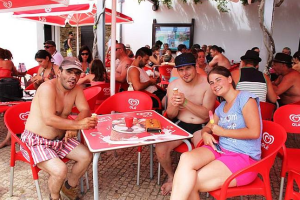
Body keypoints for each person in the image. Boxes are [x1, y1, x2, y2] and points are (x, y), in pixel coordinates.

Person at [171, 66, 262, 200]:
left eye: (218, 80)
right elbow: (208, 127)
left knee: (189, 182)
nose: (215, 85)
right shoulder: (221, 107)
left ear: (230, 79)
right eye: (212, 83)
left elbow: (254, 132)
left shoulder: (245, 98)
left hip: (244, 157)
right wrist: (205, 134)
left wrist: (223, 131)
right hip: (221, 149)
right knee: (186, 158)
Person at [20, 57, 97, 200]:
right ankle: (55, 197)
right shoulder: (47, 88)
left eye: (77, 73)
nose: (73, 76)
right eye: (69, 72)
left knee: (86, 156)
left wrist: (74, 127)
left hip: (61, 139)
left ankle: (69, 188)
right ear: (59, 72)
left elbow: (85, 109)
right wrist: (78, 125)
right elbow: (49, 119)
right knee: (60, 170)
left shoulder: (76, 89)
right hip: (37, 141)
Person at [156, 53, 216, 195]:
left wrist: (185, 102)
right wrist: (175, 106)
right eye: (181, 70)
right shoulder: (173, 85)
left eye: (188, 68)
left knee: (202, 152)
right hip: (180, 124)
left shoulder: (207, 85)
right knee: (160, 150)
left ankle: (191, 182)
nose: (184, 73)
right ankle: (172, 176)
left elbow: (207, 115)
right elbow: (170, 115)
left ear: (195, 67)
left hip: (201, 126)